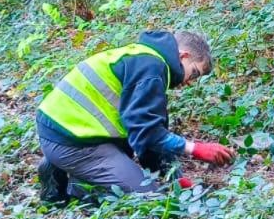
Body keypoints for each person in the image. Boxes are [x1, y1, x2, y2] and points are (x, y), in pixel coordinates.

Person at [35, 30, 235, 204]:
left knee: (138, 169)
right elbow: (146, 133)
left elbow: (151, 136)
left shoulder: (146, 58)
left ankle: (58, 164)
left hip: (68, 130)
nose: (189, 82)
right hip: (70, 141)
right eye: (193, 73)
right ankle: (71, 182)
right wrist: (195, 148)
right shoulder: (152, 69)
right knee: (149, 200)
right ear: (183, 56)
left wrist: (173, 178)